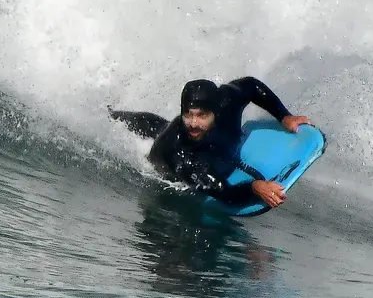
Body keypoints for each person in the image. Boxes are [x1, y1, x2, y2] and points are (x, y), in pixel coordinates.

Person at [109, 77, 312, 209]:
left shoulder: (226, 101)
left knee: (159, 125)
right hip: (162, 153)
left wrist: (284, 116)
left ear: (216, 110)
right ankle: (108, 113)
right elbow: (224, 193)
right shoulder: (178, 155)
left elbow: (251, 86)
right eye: (188, 115)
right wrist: (254, 187)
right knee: (128, 122)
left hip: (167, 130)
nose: (194, 124)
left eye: (202, 116)